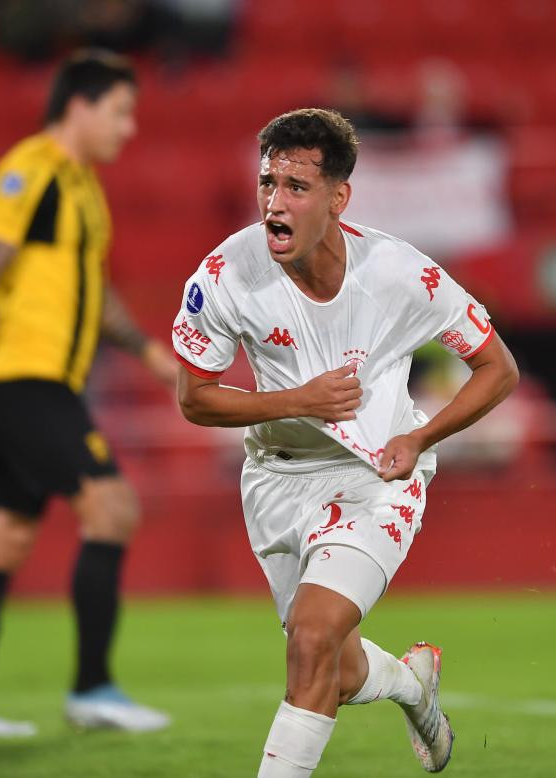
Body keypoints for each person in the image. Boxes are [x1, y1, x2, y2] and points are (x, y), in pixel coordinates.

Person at [173, 108, 519, 776]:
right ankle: (413, 687)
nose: (275, 202)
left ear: (338, 198)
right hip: (275, 481)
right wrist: (299, 401)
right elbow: (195, 398)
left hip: (374, 479)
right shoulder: (224, 276)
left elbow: (497, 368)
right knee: (335, 666)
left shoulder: (397, 273)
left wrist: (420, 436)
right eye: (267, 182)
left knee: (310, 638)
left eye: (296, 187)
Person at [0, 49, 177, 739]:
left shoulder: (84, 190)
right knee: (113, 507)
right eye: (122, 112)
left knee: (2, 539)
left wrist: (153, 354)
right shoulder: (28, 171)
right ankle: (92, 688)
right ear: (81, 105)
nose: (129, 129)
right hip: (23, 380)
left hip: (42, 384)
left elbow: (94, 297)